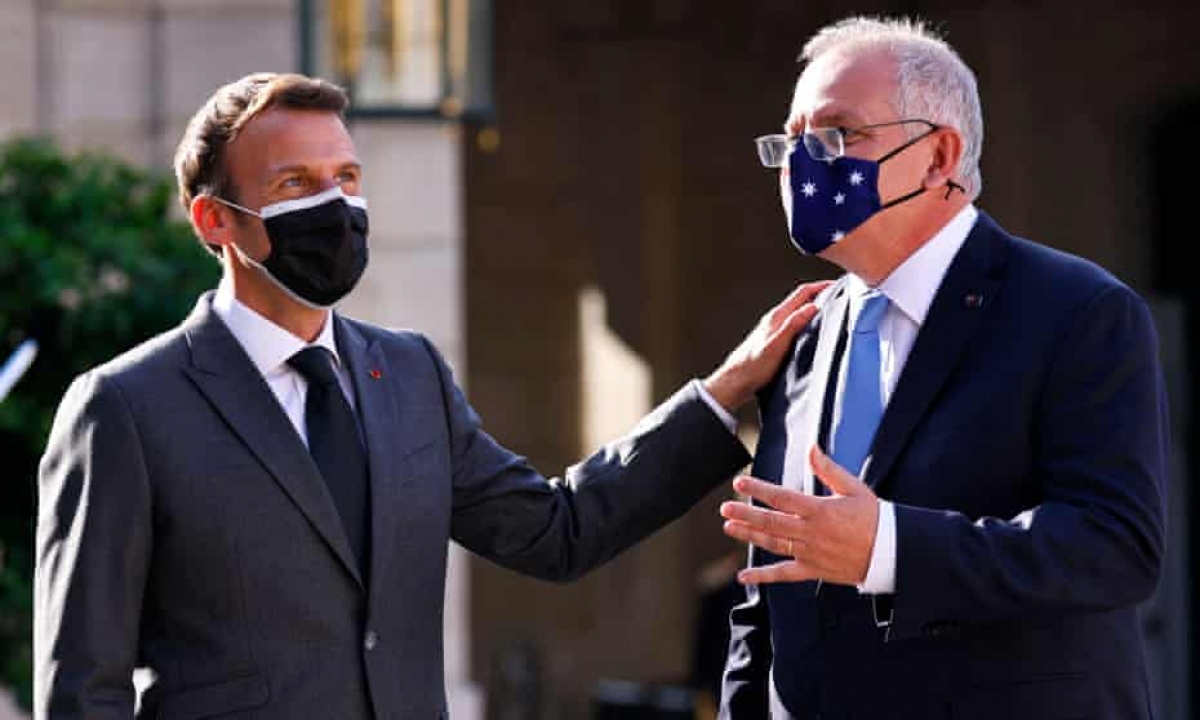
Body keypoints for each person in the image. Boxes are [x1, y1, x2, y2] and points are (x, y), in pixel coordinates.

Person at [32, 72, 831, 719]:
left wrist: (725, 393)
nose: (335, 205)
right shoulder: (126, 409)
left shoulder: (408, 374)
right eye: (295, 182)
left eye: (346, 177)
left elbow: (559, 532)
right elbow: (83, 690)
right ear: (215, 220)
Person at [716, 16, 1168, 720]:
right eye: (791, 141)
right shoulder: (800, 336)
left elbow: (1114, 546)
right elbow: (767, 596)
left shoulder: (1076, 310)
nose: (803, 165)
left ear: (937, 157)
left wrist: (890, 549)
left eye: (836, 135)